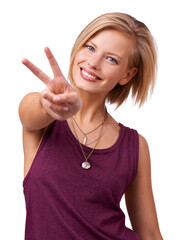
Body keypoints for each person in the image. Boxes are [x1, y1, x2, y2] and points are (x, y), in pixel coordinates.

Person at [19, 12, 163, 240]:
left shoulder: (135, 146)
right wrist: (52, 107)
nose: (93, 63)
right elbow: (31, 115)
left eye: (111, 59)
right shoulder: (41, 117)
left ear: (127, 75)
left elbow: (150, 233)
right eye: (90, 48)